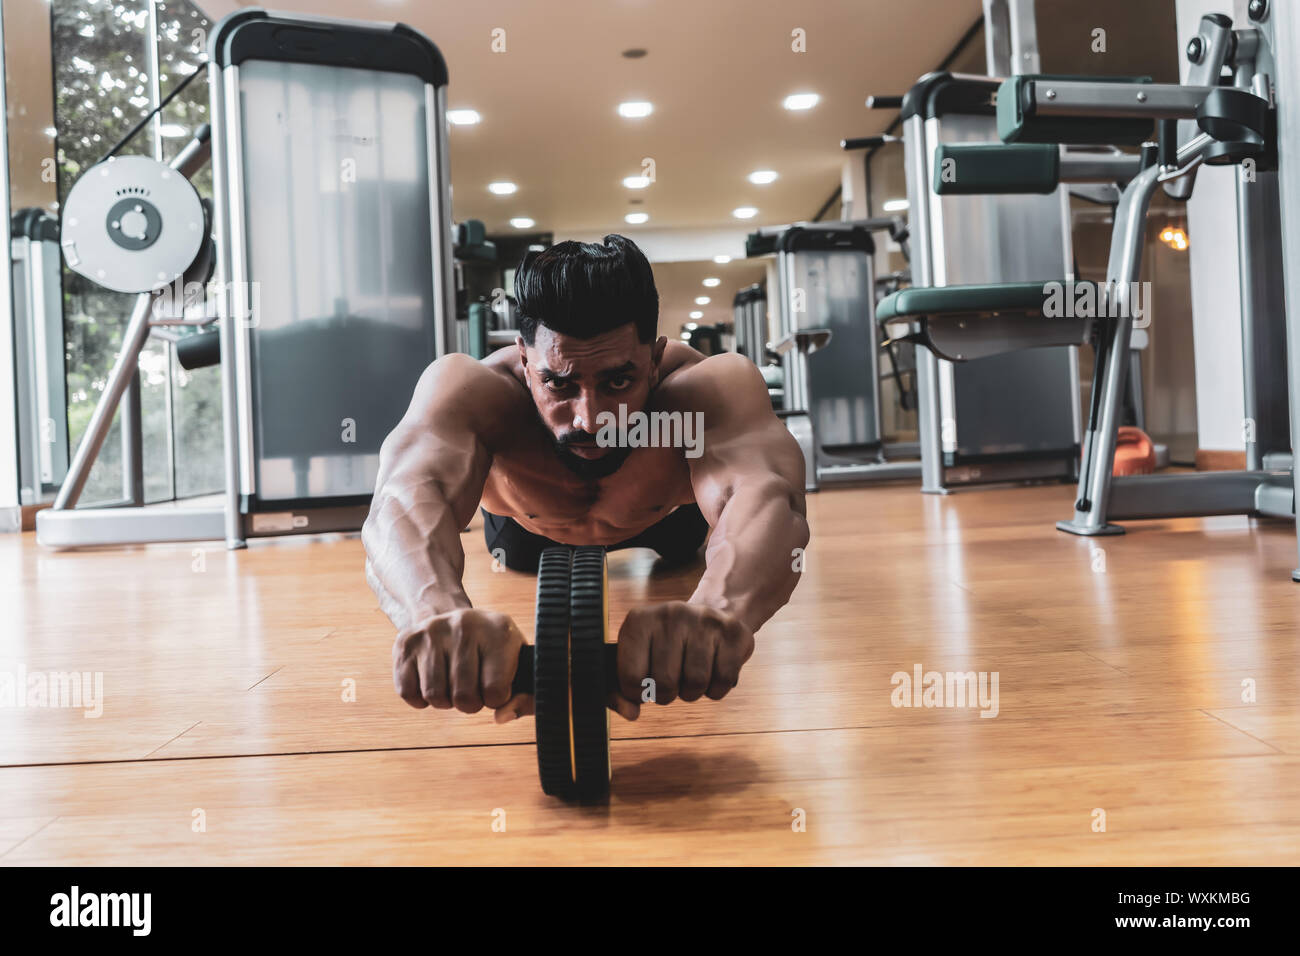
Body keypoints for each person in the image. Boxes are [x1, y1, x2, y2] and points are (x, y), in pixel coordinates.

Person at [363, 234, 808, 724]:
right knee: (515, 561)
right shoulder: (475, 391)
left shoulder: (704, 390)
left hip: (667, 520)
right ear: (525, 360)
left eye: (618, 382)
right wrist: (434, 612)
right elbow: (402, 499)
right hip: (528, 531)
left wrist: (719, 609)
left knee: (692, 557)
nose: (590, 419)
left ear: (655, 360)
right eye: (559, 383)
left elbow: (768, 497)